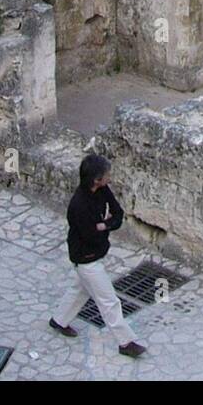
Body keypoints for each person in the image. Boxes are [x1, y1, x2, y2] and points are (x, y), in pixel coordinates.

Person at [49, 153, 147, 358]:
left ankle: (59, 320)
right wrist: (105, 225)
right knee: (109, 301)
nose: (109, 177)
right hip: (86, 259)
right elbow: (91, 236)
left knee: (80, 289)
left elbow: (117, 214)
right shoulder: (78, 205)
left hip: (93, 253)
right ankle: (125, 342)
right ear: (96, 179)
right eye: (106, 175)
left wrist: (105, 225)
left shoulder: (102, 190)